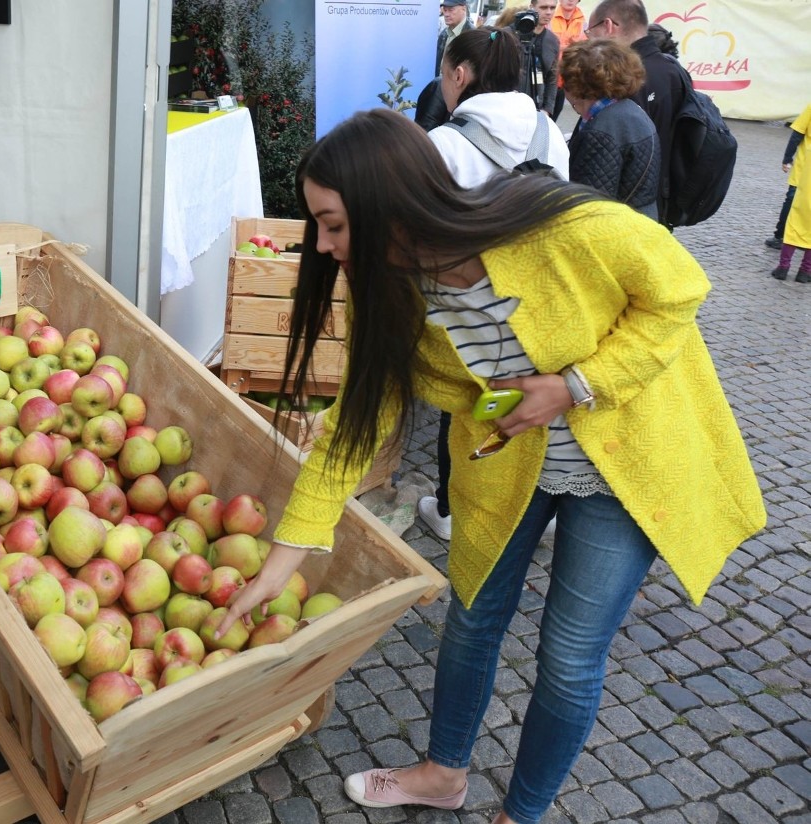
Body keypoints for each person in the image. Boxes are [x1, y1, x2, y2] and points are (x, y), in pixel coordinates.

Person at [215, 107, 766, 824]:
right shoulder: (394, 289)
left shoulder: (562, 227)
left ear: (393, 202)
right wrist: (277, 569)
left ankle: (523, 813)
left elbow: (678, 291)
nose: (324, 245)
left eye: (335, 224)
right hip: (508, 463)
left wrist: (572, 387)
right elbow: (353, 428)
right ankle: (444, 775)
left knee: (568, 659)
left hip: (622, 462)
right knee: (472, 620)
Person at [418, 26, 570, 540]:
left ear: (459, 74)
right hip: (544, 299)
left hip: (472, 301)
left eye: (445, 72)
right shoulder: (550, 132)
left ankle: (450, 509)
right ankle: (530, 511)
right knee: (530, 400)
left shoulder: (444, 142)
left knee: (468, 404)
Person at [586, 0, 687, 225]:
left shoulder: (628, 77)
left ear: (609, 26)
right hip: (662, 202)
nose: (589, 41)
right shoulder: (676, 71)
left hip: (626, 211)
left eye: (590, 32)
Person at [561, 39, 660, 219]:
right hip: (639, 222)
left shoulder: (601, 130)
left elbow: (588, 207)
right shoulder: (630, 110)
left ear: (577, 84)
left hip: (615, 231)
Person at [770, 104, 811, 283]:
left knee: (794, 217)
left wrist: (787, 158)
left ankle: (783, 266)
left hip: (805, 173)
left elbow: (797, 133)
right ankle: (805, 272)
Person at [495, 2, 559, 116]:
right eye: (544, 7)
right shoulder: (507, 35)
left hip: (535, 108)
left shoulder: (552, 41)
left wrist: (547, 109)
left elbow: (552, 78)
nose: (549, 12)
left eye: (552, 8)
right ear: (532, 7)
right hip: (504, 106)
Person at [549, 0, 587, 121]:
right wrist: (571, 46)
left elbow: (585, 50)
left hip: (568, 80)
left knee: (554, 118)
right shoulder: (549, 17)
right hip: (547, 77)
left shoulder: (584, 23)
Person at [436, 0, 474, 76]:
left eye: (451, 10)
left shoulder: (472, 36)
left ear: (464, 9)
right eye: (445, 10)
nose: (446, 14)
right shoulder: (444, 34)